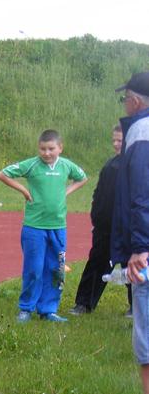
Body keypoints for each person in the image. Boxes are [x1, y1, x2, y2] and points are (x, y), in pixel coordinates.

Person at [0, 130, 87, 322]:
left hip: (58, 227)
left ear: (60, 148)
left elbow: (82, 178)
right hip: (34, 227)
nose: (47, 153)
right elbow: (3, 174)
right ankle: (26, 308)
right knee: (34, 268)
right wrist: (23, 190)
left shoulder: (66, 166)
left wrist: (66, 192)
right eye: (42, 149)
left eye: (51, 149)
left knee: (56, 269)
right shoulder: (32, 165)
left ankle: (48, 309)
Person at [111, 71, 149, 394]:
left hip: (146, 250)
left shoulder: (139, 131)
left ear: (135, 101)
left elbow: (140, 194)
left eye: (126, 99)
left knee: (146, 336)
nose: (124, 104)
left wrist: (139, 247)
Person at [72, 125, 128, 315]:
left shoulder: (139, 165)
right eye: (114, 140)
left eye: (120, 140)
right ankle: (84, 303)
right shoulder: (110, 165)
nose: (116, 144)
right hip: (106, 226)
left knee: (133, 265)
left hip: (130, 227)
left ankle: (136, 307)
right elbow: (99, 194)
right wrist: (97, 217)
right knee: (97, 261)